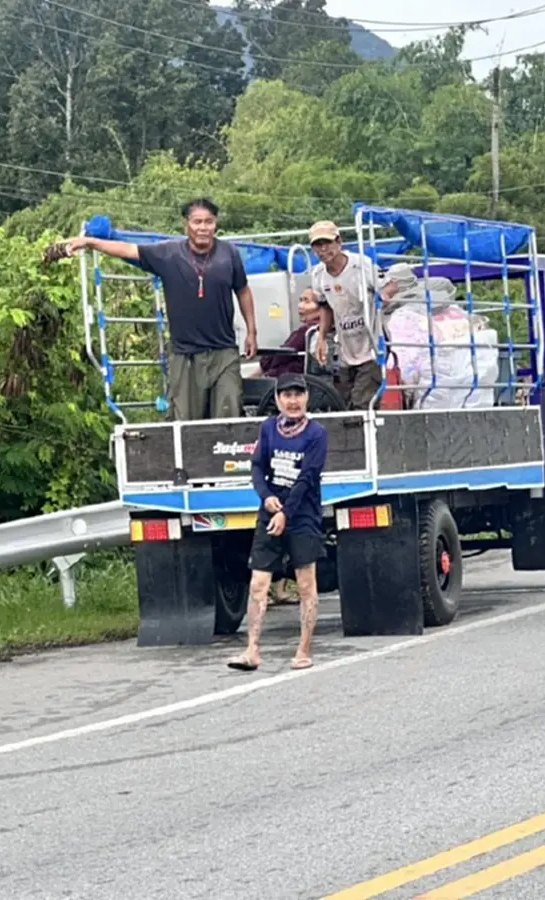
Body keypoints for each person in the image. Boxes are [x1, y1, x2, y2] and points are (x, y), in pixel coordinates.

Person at [60, 198, 258, 421]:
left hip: (224, 352)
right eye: (197, 222)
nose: (203, 228)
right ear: (186, 225)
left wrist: (252, 331)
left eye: (209, 222)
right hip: (186, 355)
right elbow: (128, 249)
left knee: (229, 413)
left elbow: (243, 290)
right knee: (186, 422)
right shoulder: (169, 254)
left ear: (216, 224)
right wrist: (91, 242)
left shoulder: (228, 254)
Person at [227, 373, 328, 673]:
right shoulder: (269, 428)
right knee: (259, 583)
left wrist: (287, 513)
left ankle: (303, 649)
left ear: (307, 398)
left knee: (306, 584)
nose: (293, 401)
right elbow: (257, 466)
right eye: (286, 395)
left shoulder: (317, 434)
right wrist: (266, 496)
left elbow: (308, 478)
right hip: (270, 513)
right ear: (277, 399)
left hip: (303, 516)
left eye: (298, 394)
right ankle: (252, 650)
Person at [307, 220, 399, 409]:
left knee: (362, 403)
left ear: (339, 242)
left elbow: (390, 284)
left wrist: (384, 295)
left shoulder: (360, 265)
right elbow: (325, 306)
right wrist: (322, 337)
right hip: (346, 346)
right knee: (343, 402)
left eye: (327, 243)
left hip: (371, 344)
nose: (323, 249)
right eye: (318, 245)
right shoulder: (318, 275)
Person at [259, 288, 325, 379]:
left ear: (321, 308)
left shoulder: (307, 331)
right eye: (301, 300)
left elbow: (283, 354)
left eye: (307, 301)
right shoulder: (320, 329)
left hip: (290, 376)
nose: (300, 305)